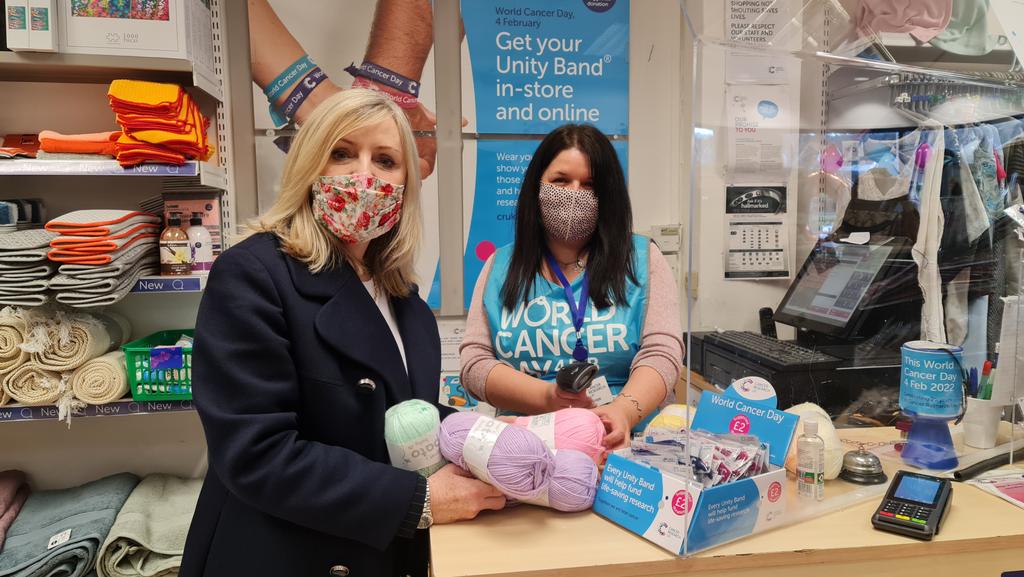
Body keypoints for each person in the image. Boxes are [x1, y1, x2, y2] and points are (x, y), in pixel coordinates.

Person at [180, 90, 505, 577]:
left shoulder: (404, 300)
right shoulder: (253, 275)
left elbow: (395, 415)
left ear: (405, 184)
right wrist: (417, 499)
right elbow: (256, 452)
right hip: (286, 554)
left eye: (386, 160)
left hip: (377, 548)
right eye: (342, 153)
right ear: (311, 165)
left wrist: (498, 437)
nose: (364, 175)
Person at [459, 124, 685, 449]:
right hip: (527, 444)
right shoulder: (499, 266)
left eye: (589, 184)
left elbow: (663, 352)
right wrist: (551, 398)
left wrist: (621, 411)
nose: (574, 193)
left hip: (625, 444)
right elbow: (475, 364)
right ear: (537, 187)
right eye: (561, 181)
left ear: (608, 195)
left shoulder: (643, 259)